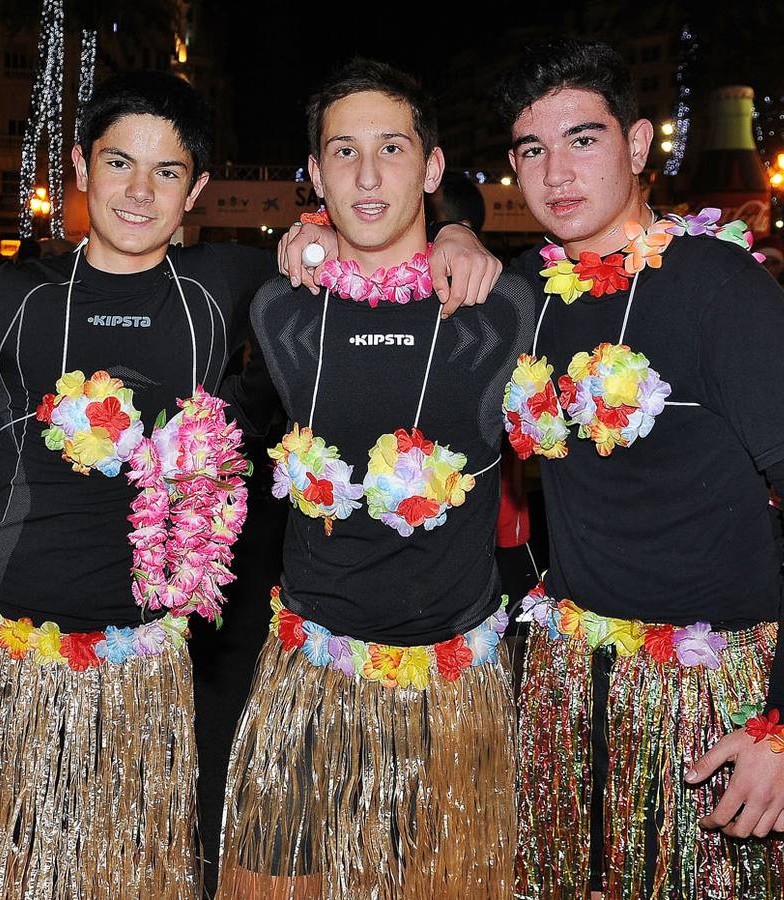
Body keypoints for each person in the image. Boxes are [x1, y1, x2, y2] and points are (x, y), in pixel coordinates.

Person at [0, 69, 500, 899]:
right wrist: (14, 454)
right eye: (119, 164)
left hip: (147, 663)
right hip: (4, 652)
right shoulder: (7, 297)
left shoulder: (228, 286)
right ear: (82, 168)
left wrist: (456, 234)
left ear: (195, 191)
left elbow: (354, 248)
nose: (138, 192)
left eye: (167, 172)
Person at [496, 39, 784, 898]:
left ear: (638, 143)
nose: (556, 174)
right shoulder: (524, 294)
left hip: (713, 696)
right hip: (569, 681)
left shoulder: (717, 283)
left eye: (582, 140)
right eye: (530, 151)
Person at [214, 58, 535, 898]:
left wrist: (463, 236)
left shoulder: (506, 310)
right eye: (342, 152)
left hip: (450, 686)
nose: (367, 174)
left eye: (391, 148)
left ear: (430, 168)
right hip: (308, 676)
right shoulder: (279, 306)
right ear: (315, 175)